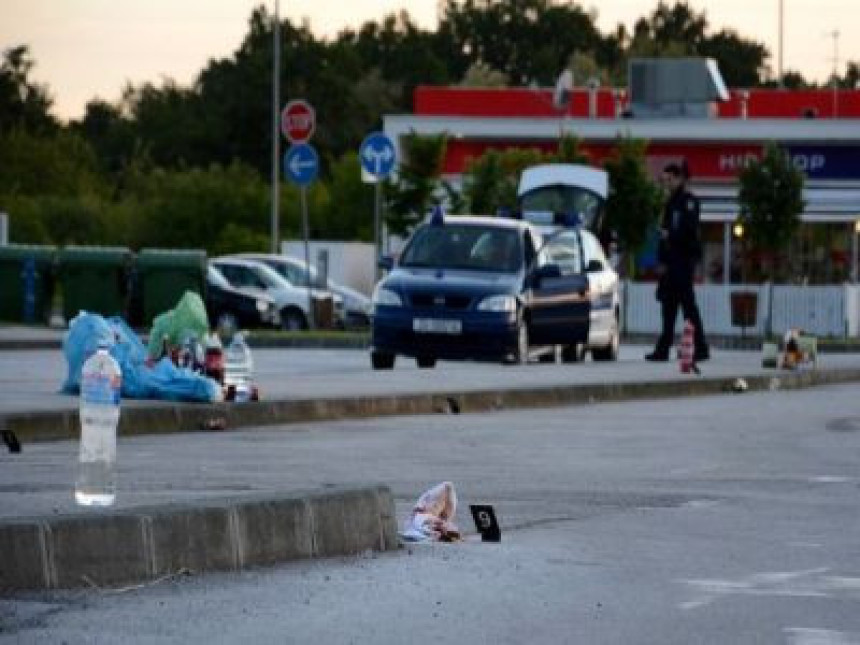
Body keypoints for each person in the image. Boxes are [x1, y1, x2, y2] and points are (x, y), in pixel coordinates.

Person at [646, 162, 710, 362]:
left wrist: (670, 235)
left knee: (688, 307)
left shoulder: (688, 202)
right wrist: (661, 260)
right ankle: (663, 348)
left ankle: (700, 347)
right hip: (670, 263)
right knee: (668, 306)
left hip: (682, 262)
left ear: (679, 179)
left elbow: (689, 231)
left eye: (669, 180)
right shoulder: (670, 203)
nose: (666, 184)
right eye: (664, 180)